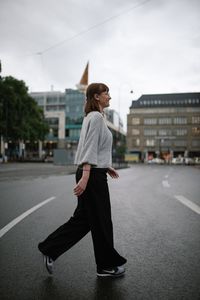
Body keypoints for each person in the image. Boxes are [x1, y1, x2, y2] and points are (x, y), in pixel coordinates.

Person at [38, 83, 127, 277]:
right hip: (92, 175)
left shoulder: (94, 117)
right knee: (101, 220)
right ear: (96, 96)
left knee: (85, 220)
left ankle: (50, 248)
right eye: (106, 93)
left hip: (94, 171)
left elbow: (92, 145)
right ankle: (105, 266)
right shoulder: (95, 117)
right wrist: (87, 174)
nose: (109, 97)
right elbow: (88, 147)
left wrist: (105, 165)